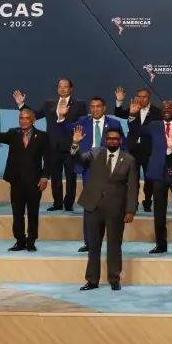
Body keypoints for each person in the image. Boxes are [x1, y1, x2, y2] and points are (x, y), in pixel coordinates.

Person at [70, 126, 138, 291]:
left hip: (116, 209)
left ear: (120, 141)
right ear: (105, 140)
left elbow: (132, 188)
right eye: (109, 139)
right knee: (93, 246)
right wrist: (75, 144)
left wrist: (130, 210)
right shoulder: (95, 153)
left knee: (114, 245)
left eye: (116, 139)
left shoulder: (128, 159)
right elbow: (79, 160)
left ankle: (114, 279)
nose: (112, 141)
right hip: (93, 207)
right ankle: (92, 280)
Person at [128, 99, 172, 254]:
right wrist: (132, 115)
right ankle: (161, 244)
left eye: (170, 108)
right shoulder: (154, 126)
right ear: (161, 110)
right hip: (158, 175)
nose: (166, 110)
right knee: (159, 212)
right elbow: (136, 131)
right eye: (164, 108)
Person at [13, 78, 87, 212]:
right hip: (52, 147)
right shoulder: (49, 104)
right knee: (55, 178)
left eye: (65, 87)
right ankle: (57, 203)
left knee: (71, 178)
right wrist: (22, 105)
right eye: (60, 86)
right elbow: (35, 115)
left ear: (71, 89)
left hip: (71, 147)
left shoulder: (79, 105)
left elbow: (82, 124)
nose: (62, 89)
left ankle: (69, 204)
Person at [65, 97, 125, 252]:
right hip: (89, 167)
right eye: (92, 107)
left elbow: (122, 145)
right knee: (90, 205)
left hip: (109, 167)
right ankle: (89, 242)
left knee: (110, 204)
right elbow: (64, 130)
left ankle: (112, 242)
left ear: (104, 107)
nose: (95, 109)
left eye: (98, 106)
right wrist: (61, 117)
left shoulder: (114, 124)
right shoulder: (82, 122)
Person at [0, 106, 49, 252]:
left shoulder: (42, 136)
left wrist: (45, 177)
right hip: (17, 181)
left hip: (35, 182)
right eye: (21, 118)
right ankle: (20, 241)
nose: (23, 120)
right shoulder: (13, 133)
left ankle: (31, 241)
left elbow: (49, 159)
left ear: (33, 120)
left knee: (33, 213)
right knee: (17, 213)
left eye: (27, 118)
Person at [114, 86, 162, 212]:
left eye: (144, 97)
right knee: (132, 180)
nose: (141, 99)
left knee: (149, 180)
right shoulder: (132, 109)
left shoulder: (158, 112)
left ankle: (147, 202)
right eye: (138, 97)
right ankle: (133, 203)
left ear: (149, 97)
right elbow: (118, 113)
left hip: (149, 152)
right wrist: (119, 102)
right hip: (133, 150)